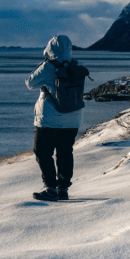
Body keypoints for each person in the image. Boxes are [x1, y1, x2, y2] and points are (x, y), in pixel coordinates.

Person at [26, 35, 82, 201]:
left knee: (42, 152)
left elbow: (30, 82)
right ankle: (63, 189)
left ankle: (50, 188)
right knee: (65, 153)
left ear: (50, 48)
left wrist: (44, 62)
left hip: (49, 119)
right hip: (73, 118)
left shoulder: (49, 66)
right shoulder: (77, 65)